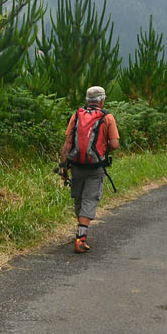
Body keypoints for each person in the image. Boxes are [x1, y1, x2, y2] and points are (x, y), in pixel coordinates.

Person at [60, 85, 120, 253]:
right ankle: (81, 238)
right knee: (90, 199)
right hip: (96, 166)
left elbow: (67, 143)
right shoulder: (107, 117)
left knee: (79, 198)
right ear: (102, 100)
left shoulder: (76, 116)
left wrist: (63, 166)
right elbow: (115, 144)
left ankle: (80, 230)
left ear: (87, 100)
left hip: (76, 165)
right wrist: (104, 145)